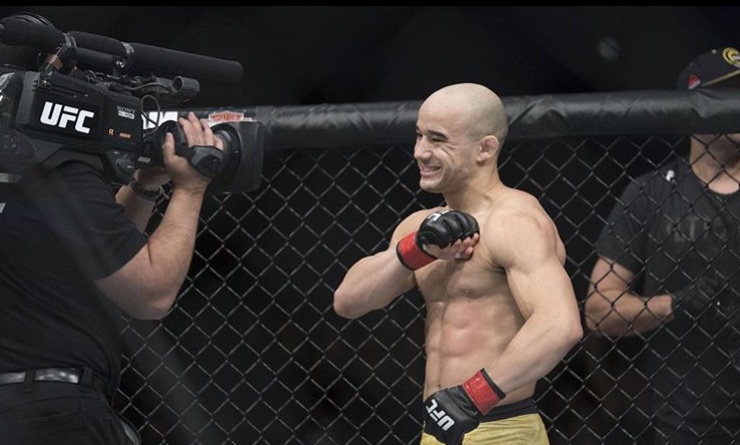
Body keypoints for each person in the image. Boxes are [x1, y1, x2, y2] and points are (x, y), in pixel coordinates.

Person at [0, 25, 224, 442]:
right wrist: (191, 187)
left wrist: (144, 185)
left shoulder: (22, 172)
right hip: (50, 414)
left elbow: (102, 258)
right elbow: (149, 293)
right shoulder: (54, 166)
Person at [333, 82, 583, 445]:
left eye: (438, 139)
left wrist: (472, 397)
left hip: (500, 429)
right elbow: (348, 302)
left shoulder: (513, 222)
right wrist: (414, 251)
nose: (420, 152)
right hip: (439, 427)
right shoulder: (421, 227)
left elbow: (560, 325)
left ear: (485, 148)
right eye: (419, 135)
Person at [585, 47, 740, 444]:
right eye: (728, 94)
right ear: (692, 108)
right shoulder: (650, 193)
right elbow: (599, 310)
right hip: (687, 423)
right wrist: (676, 304)